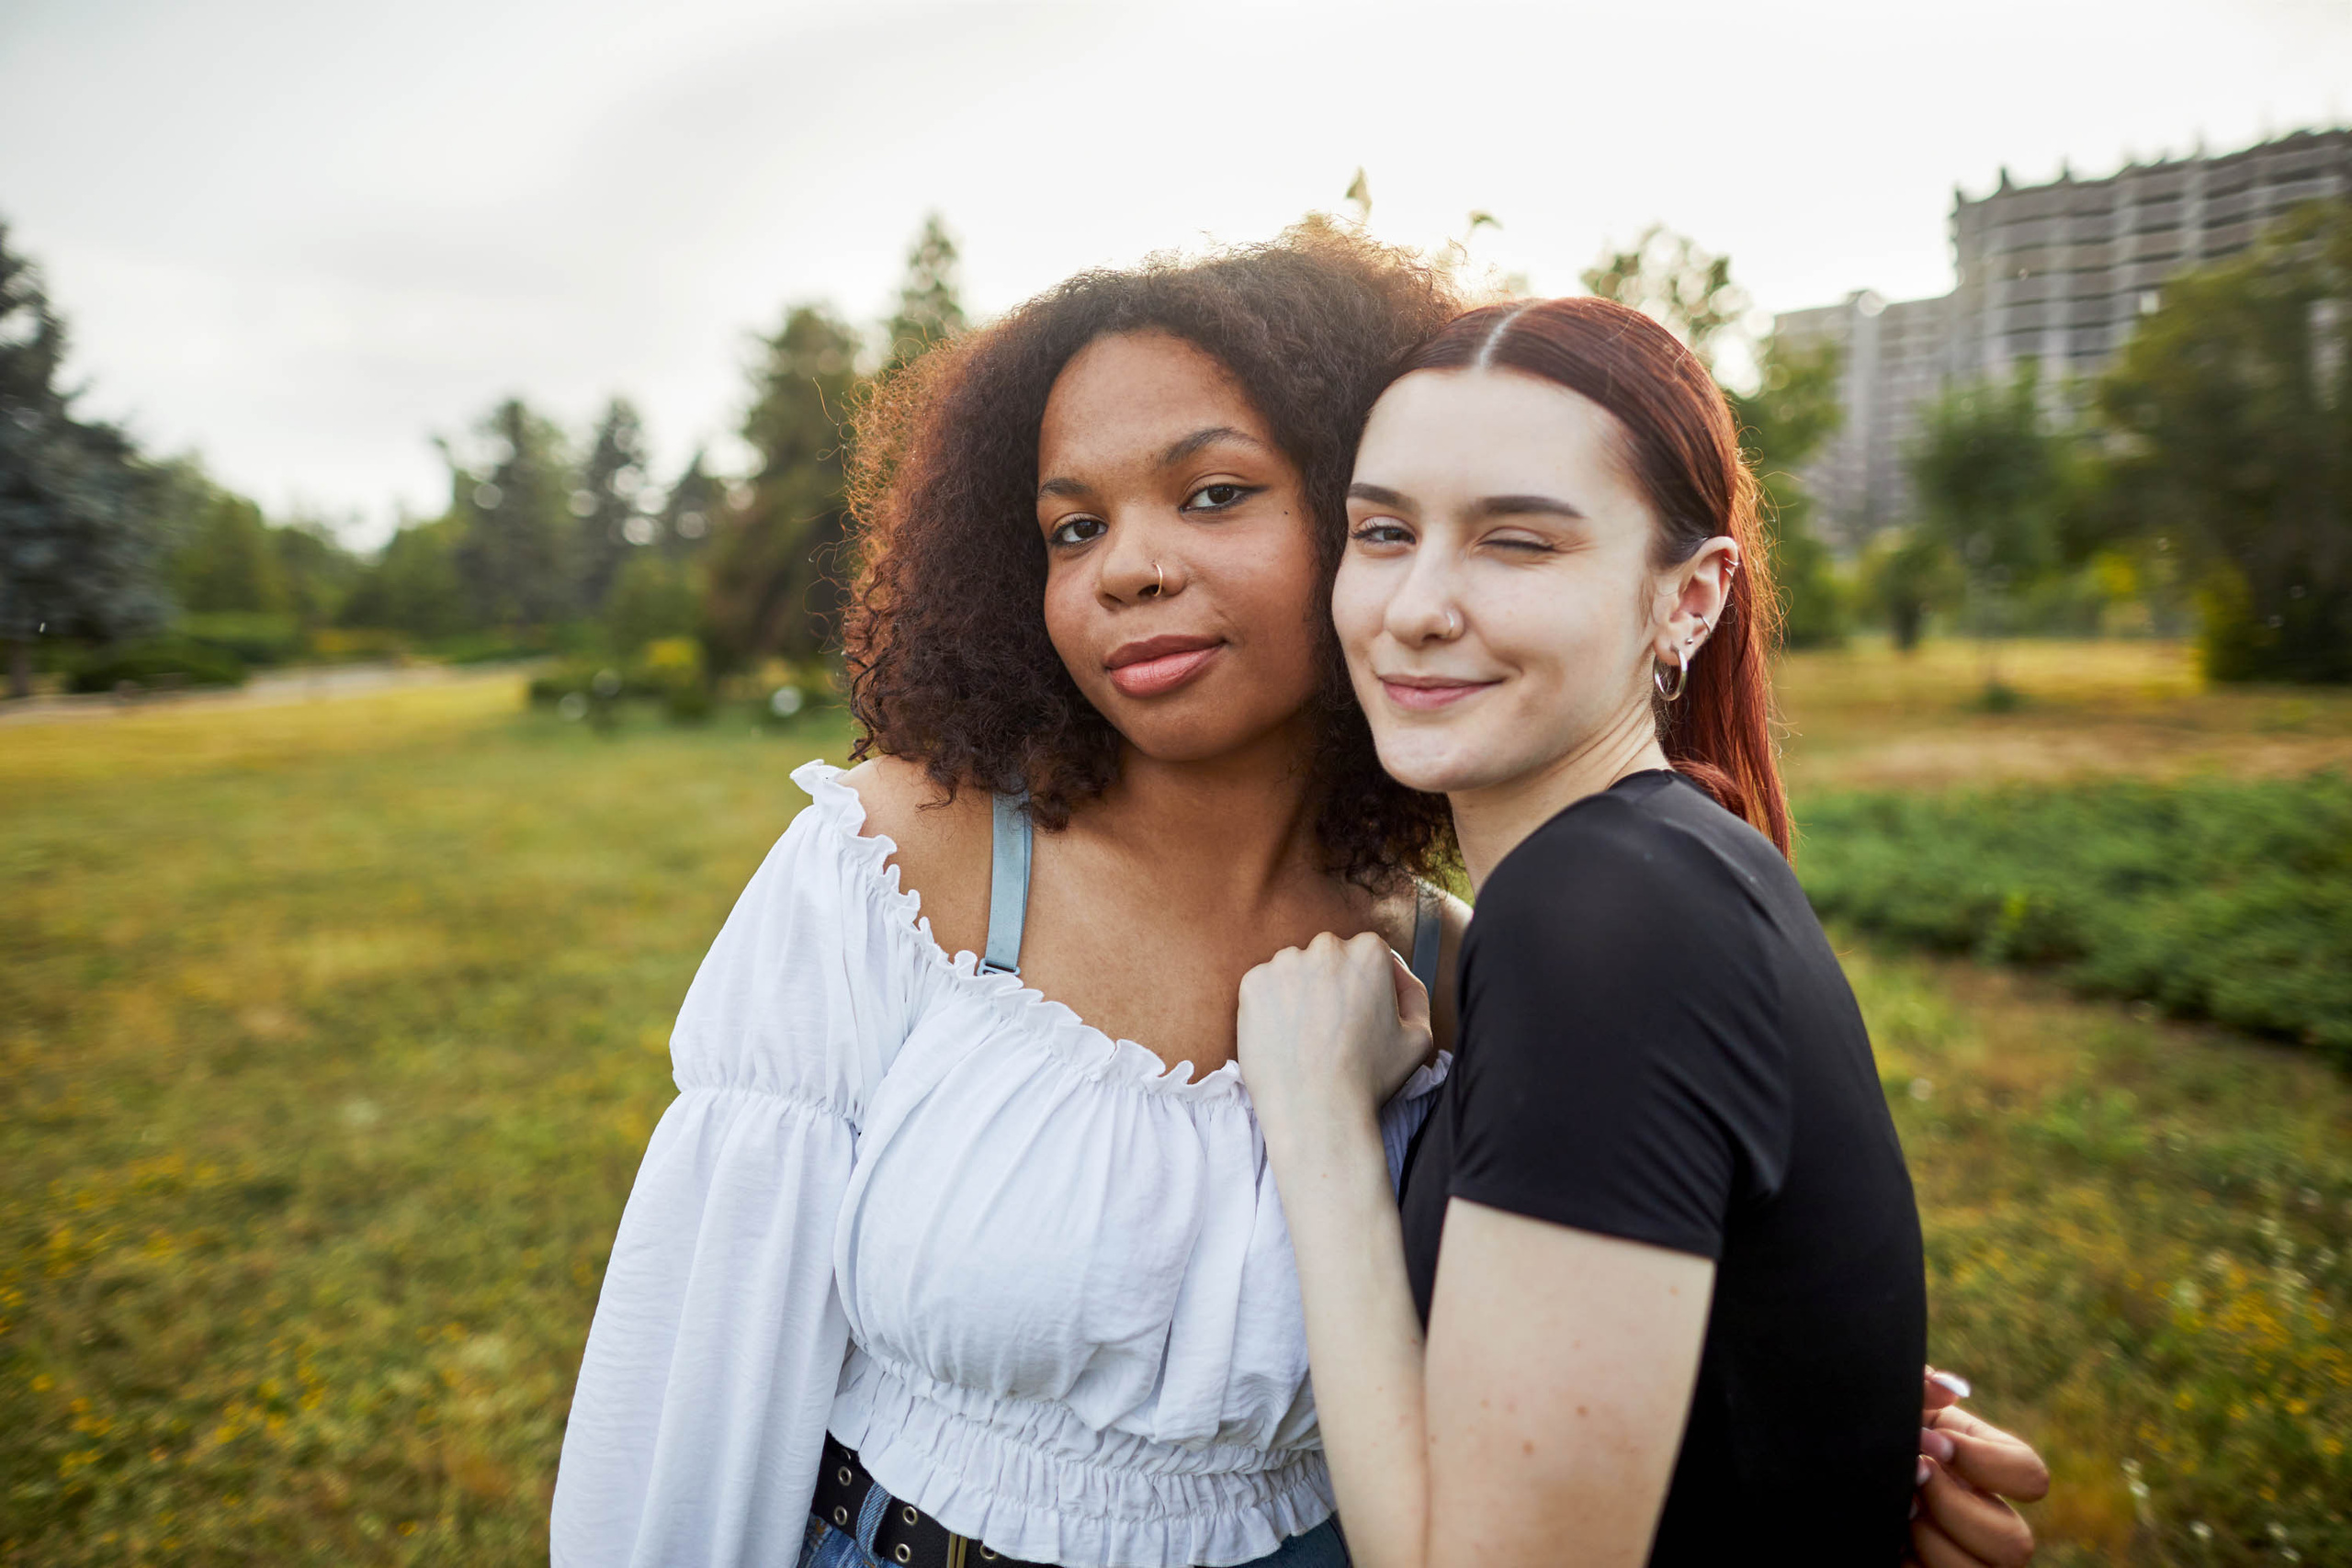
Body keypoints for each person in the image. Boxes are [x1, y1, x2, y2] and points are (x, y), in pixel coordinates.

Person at [551, 239, 2047, 1568]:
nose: (1130, 569)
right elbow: (694, 1380)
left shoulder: (1450, 974)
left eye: (1214, 496)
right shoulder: (898, 864)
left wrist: (1835, 1417)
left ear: (1343, 523)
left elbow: (1544, 1367)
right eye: (1074, 528)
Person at [1236, 296, 2050, 1568]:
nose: (1416, 607)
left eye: (1517, 542)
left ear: (1690, 598)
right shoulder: (1662, 868)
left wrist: (1318, 1127)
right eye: (1383, 532)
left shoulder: (1606, 916)